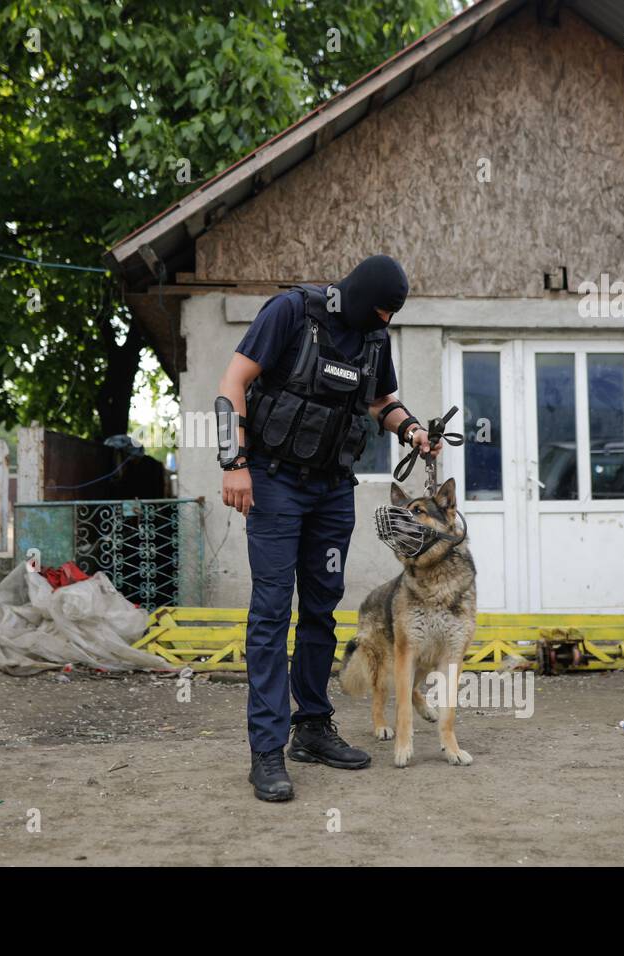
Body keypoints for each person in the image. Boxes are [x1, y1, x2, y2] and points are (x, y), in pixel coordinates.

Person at [214, 254, 442, 802]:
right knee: (272, 612)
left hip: (333, 488)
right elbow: (233, 383)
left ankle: (312, 728)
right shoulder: (292, 312)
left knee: (320, 609)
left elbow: (378, 401)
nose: (386, 322)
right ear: (364, 299)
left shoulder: (373, 339)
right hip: (273, 482)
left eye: (392, 315)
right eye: (382, 311)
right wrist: (234, 463)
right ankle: (266, 750)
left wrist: (410, 429)